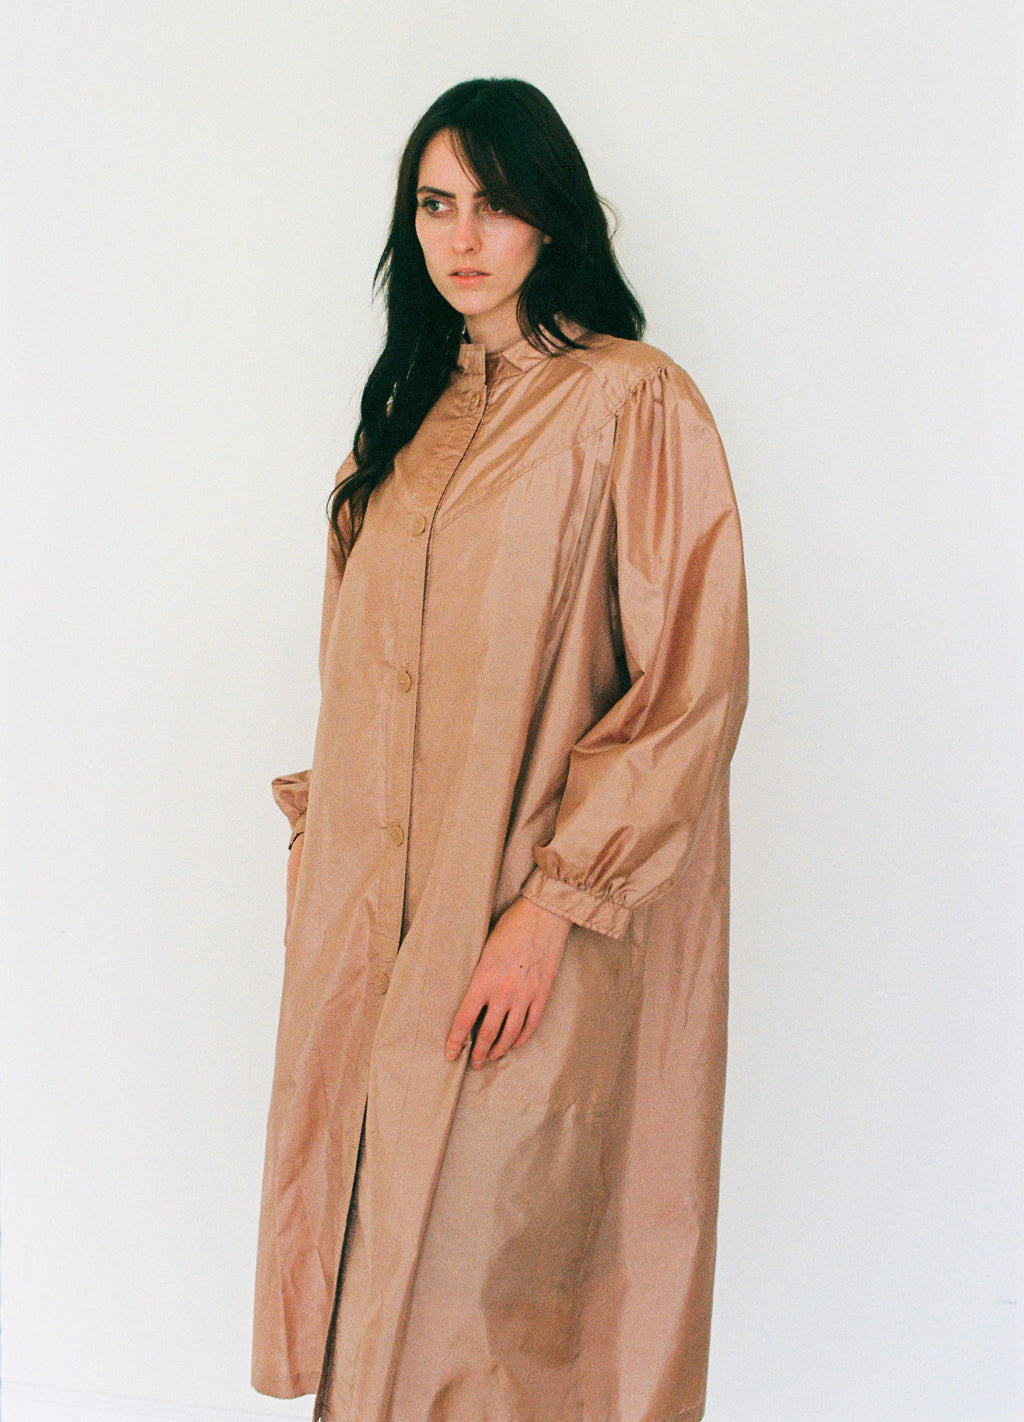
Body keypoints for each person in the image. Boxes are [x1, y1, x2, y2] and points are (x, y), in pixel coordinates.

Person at [253, 77, 748, 1422]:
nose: (463, 236)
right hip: (378, 964)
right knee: (383, 1317)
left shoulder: (631, 406)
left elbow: (689, 688)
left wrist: (548, 906)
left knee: (506, 1335)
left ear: (552, 221)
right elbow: (362, 701)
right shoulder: (397, 433)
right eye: (435, 204)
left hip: (527, 960)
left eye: (497, 202)